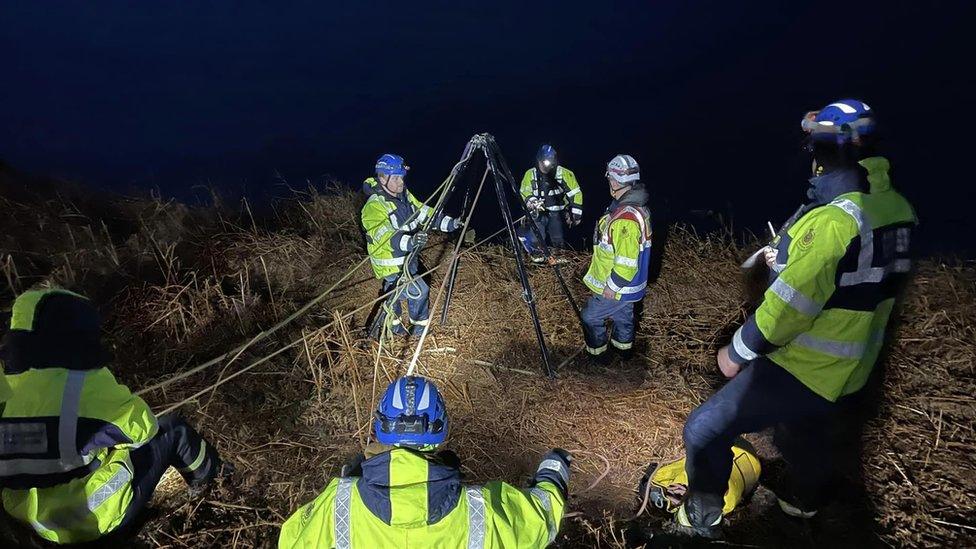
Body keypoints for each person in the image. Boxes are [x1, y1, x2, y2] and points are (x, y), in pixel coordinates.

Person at [676, 99, 918, 537]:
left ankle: (703, 516)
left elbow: (789, 308)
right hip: (856, 366)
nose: (811, 156)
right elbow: (860, 283)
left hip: (806, 366)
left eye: (815, 146)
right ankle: (804, 503)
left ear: (830, 150)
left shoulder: (832, 222)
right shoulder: (898, 209)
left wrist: (736, 351)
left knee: (705, 429)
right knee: (802, 433)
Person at [0, 289, 231, 544]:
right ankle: (217, 488)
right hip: (89, 517)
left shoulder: (5, 385)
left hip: (34, 523)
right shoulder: (80, 383)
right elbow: (144, 428)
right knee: (173, 430)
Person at [279, 375, 571, 548]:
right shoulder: (481, 509)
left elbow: (291, 541)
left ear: (379, 428)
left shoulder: (338, 503)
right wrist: (554, 470)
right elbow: (540, 520)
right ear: (442, 430)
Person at [362, 153, 462, 337]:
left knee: (397, 296)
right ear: (383, 178)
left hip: (409, 260)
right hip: (392, 265)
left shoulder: (404, 195)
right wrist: (411, 242)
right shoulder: (374, 206)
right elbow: (385, 236)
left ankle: (395, 325)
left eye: (402, 177)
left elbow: (424, 213)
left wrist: (451, 223)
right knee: (419, 290)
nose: (401, 182)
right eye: (397, 177)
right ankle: (416, 332)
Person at [580, 154, 652, 359]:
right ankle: (623, 353)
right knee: (623, 316)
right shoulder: (634, 207)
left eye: (610, 178)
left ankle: (598, 356)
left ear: (614, 180)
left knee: (590, 316)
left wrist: (613, 285)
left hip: (617, 286)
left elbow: (626, 263)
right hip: (629, 287)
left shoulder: (625, 219)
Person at [519, 144, 583, 261]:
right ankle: (536, 253)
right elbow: (524, 190)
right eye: (544, 162)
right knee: (537, 234)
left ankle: (559, 256)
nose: (547, 165)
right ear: (538, 160)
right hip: (539, 211)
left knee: (557, 235)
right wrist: (532, 202)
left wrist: (576, 213)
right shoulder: (530, 174)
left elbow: (575, 193)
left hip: (557, 212)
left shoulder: (564, 173)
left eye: (550, 162)